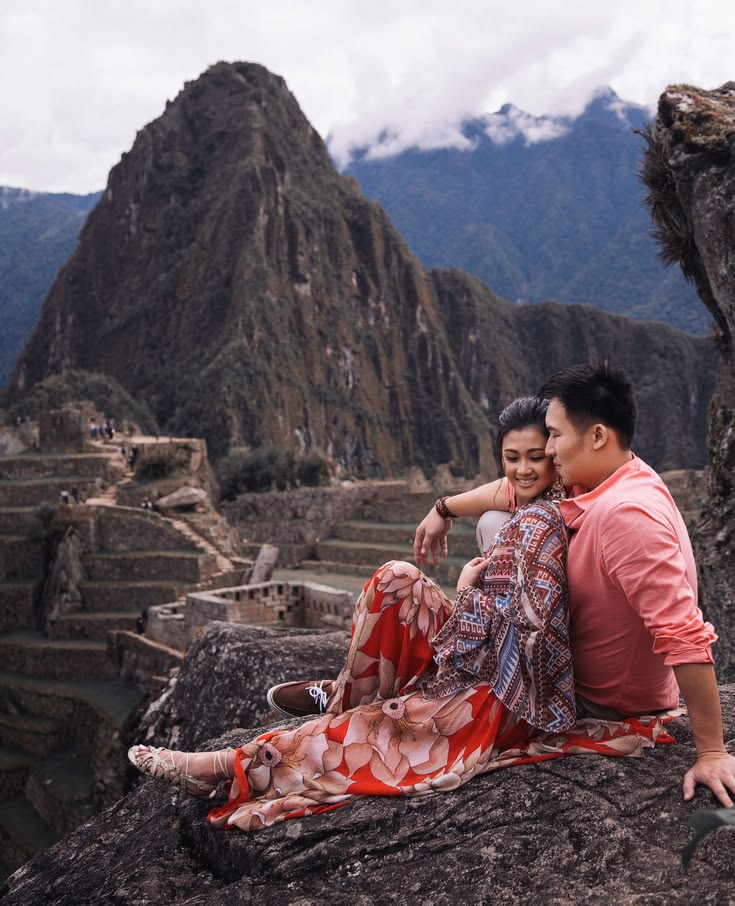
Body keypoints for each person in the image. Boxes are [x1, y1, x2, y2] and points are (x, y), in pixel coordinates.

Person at [130, 397, 606, 831]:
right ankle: (344, 698)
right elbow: (502, 491)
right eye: (512, 457)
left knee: (380, 735)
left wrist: (465, 592)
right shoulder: (531, 498)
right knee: (397, 578)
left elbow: (523, 640)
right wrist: (441, 508)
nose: (522, 470)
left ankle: (228, 766)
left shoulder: (542, 526)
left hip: (507, 691)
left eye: (536, 457)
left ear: (558, 457)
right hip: (479, 655)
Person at [415, 361, 734, 807]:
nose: (547, 449)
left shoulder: (627, 517)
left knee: (405, 593)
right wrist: (443, 509)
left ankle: (365, 697)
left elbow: (682, 633)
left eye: (555, 435)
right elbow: (511, 491)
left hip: (593, 700)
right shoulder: (615, 474)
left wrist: (713, 752)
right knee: (497, 523)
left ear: (597, 436)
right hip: (573, 668)